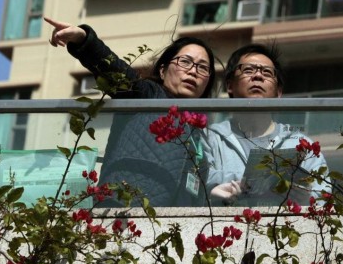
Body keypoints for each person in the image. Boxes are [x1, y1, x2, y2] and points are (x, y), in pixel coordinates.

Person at [45, 17, 217, 207]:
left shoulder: (198, 130)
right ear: (162, 70)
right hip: (124, 214)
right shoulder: (147, 95)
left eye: (203, 68)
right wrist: (84, 41)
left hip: (172, 227)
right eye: (185, 62)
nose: (193, 71)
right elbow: (117, 72)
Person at [204, 43, 328, 206]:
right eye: (248, 70)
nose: (258, 76)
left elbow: (324, 201)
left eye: (267, 72)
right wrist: (266, 183)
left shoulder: (301, 145)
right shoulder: (210, 138)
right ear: (229, 85)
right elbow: (197, 185)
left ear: (279, 93)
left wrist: (306, 201)